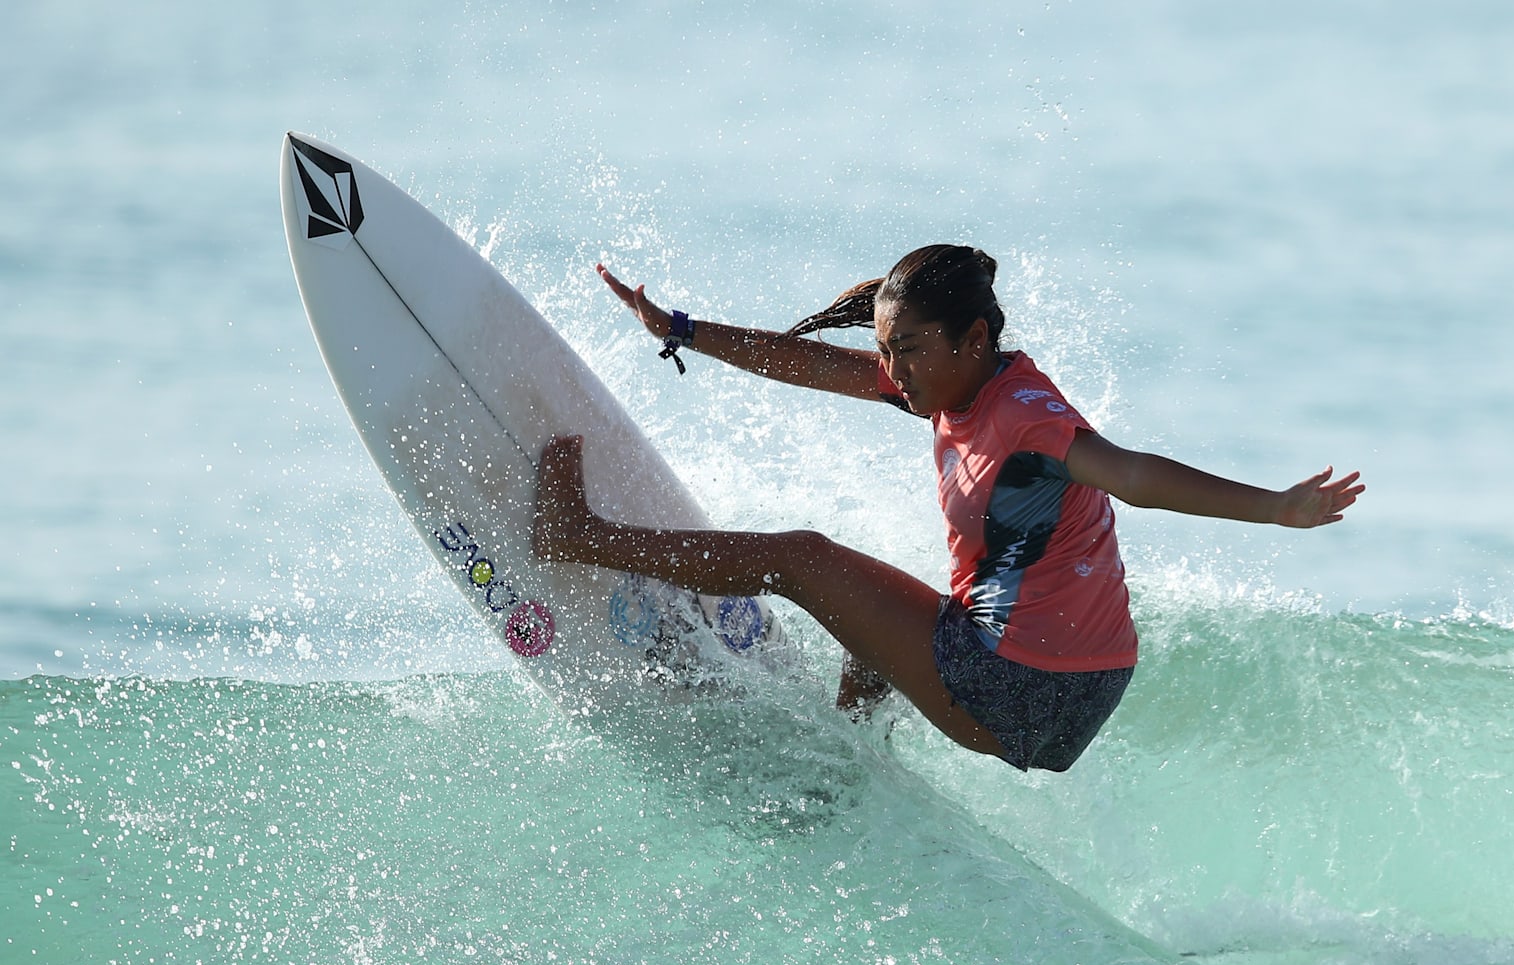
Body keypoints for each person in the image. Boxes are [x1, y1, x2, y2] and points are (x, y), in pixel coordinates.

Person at [532, 244, 1362, 772]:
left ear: (972, 339)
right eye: (886, 349)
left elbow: (1134, 476)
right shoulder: (956, 383)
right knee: (872, 616)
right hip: (1073, 680)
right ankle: (856, 764)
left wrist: (1276, 508)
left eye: (909, 350)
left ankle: (577, 536)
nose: (893, 369)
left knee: (804, 558)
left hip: (1027, 692)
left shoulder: (1023, 418)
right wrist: (678, 326)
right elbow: (808, 366)